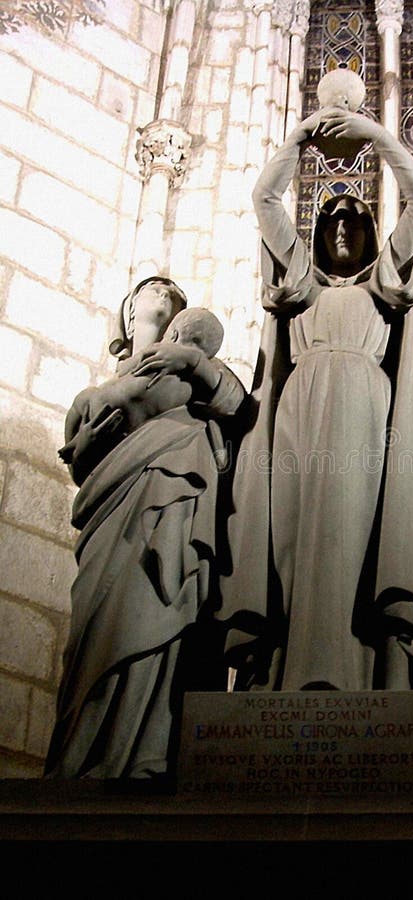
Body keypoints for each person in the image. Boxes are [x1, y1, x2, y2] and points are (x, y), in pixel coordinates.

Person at [218, 108, 413, 692]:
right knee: (293, 539)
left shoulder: (383, 283)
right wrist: (300, 139)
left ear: (371, 234)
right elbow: (266, 199)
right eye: (330, 220)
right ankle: (289, 669)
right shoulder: (301, 281)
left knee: (360, 537)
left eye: (354, 219)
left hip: (367, 418)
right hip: (298, 416)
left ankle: (359, 673)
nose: (342, 229)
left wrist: (374, 136)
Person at [45, 277, 245, 779]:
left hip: (173, 510)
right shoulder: (103, 388)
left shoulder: (197, 370)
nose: (157, 295)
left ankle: (152, 750)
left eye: (167, 292)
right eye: (145, 290)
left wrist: (194, 364)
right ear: (127, 313)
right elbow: (79, 459)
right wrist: (88, 435)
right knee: (97, 628)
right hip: (111, 517)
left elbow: (237, 408)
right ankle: (83, 755)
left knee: (164, 613)